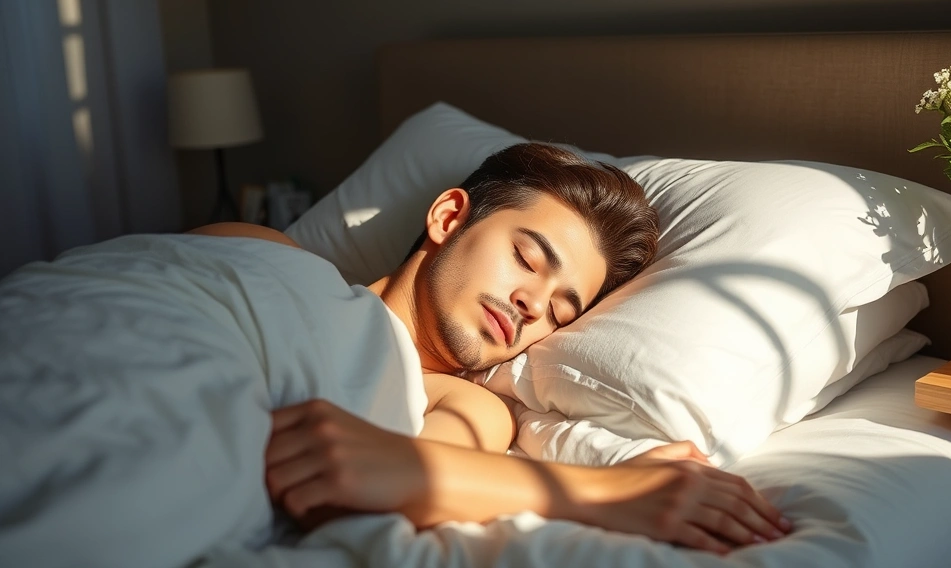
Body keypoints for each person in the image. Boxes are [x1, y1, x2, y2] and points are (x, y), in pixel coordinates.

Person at [193, 143, 792, 555]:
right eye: (526, 260)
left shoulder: (466, 406)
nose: (534, 304)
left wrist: (619, 488)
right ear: (448, 216)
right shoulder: (259, 246)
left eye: (561, 310)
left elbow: (384, 479)